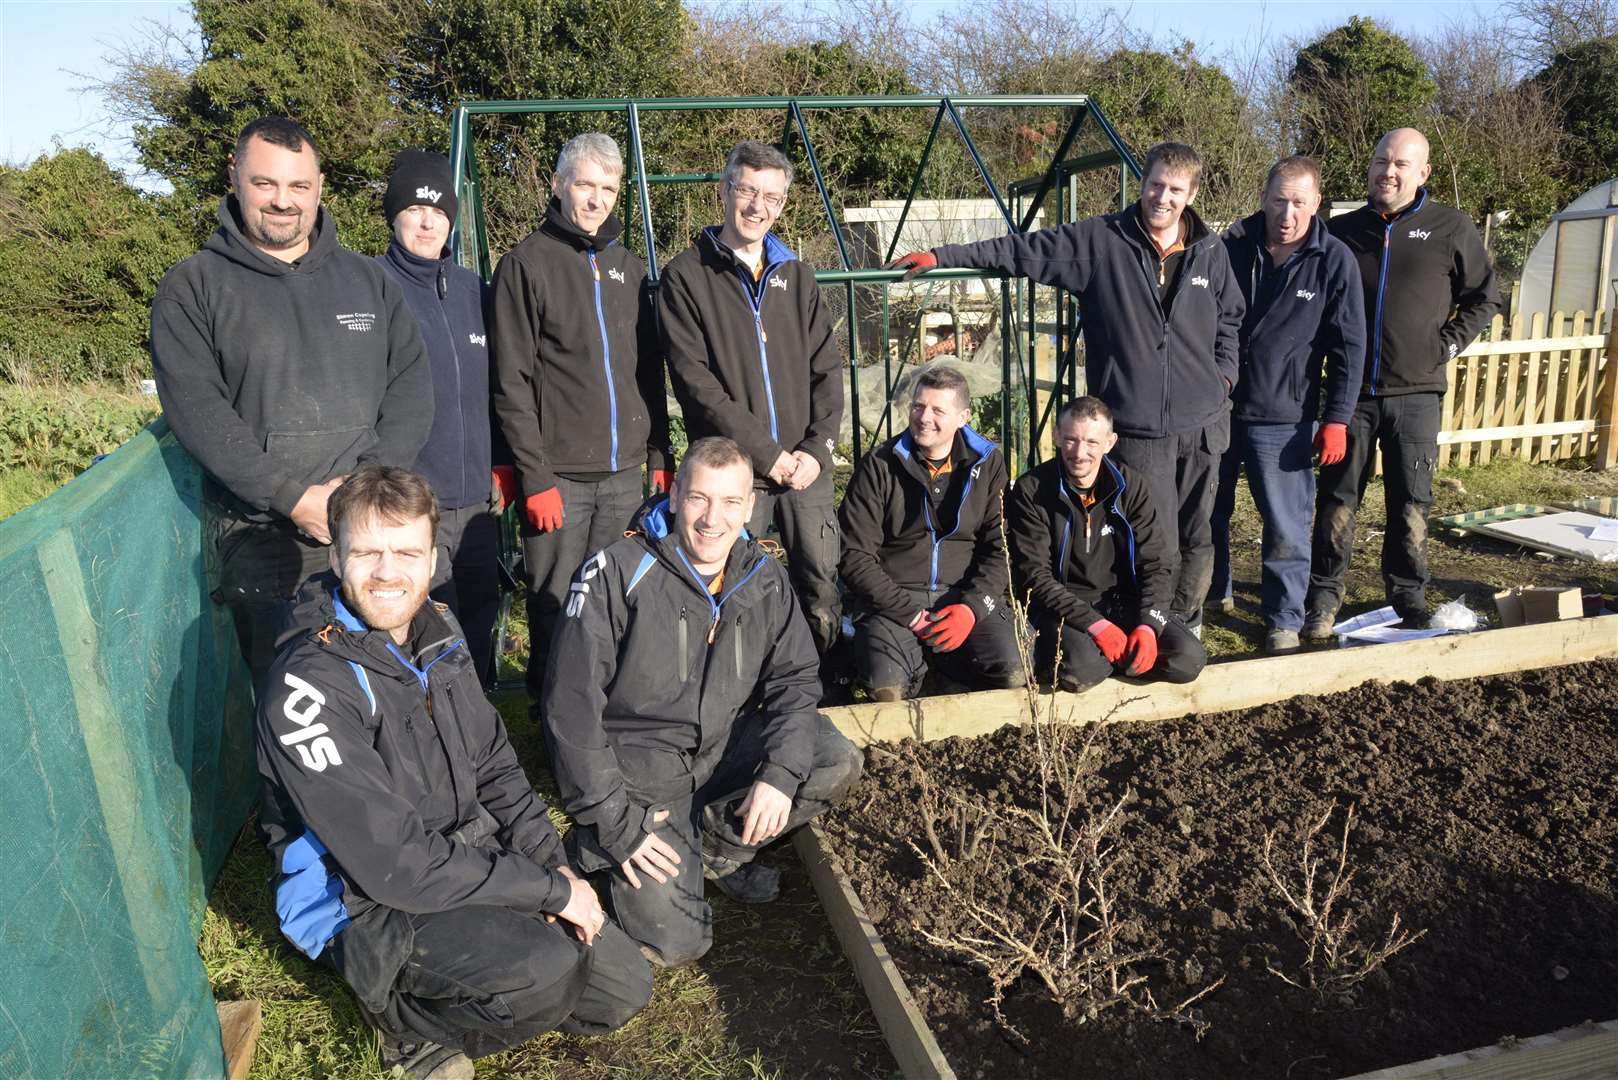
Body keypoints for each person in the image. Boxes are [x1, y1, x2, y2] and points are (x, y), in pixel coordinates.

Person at [256, 466, 650, 1080]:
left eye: (407, 552)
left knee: (622, 987)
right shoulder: (306, 686)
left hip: (458, 851)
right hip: (365, 897)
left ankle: (507, 967)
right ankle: (402, 1024)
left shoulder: (438, 628)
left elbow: (494, 762)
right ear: (336, 556)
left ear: (433, 556)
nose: (388, 573)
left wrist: (555, 866)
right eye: (367, 553)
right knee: (544, 973)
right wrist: (544, 894)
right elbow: (396, 866)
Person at [891, 142, 1243, 638]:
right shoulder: (1103, 242)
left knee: (1198, 533)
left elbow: (1231, 319)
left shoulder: (1210, 250)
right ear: (1143, 182)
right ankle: (1151, 626)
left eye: (1176, 190)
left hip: (1205, 422)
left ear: (1191, 194)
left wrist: (1222, 376)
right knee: (1153, 536)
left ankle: (1188, 626)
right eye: (1156, 184)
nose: (1163, 197)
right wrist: (943, 255)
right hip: (1138, 428)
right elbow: (1021, 250)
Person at [542, 436, 864, 968]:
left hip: (720, 745)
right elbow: (570, 713)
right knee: (677, 944)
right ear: (673, 496)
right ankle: (598, 850)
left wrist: (779, 773)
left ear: (750, 507)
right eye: (698, 498)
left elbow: (795, 678)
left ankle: (713, 848)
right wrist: (616, 823)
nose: (713, 519)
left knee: (832, 757)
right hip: (641, 771)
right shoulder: (617, 573)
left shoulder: (762, 577)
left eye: (731, 502)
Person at [150, 116, 432, 692]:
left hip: (367, 536)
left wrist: (359, 493)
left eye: (298, 186)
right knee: (291, 707)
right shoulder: (193, 287)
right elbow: (198, 410)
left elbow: (411, 389)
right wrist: (292, 497)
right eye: (265, 184)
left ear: (320, 186)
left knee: (384, 686)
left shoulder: (368, 282)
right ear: (235, 177)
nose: (283, 202)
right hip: (263, 541)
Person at [491, 132, 673, 709]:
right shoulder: (525, 265)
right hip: (561, 479)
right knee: (554, 604)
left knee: (612, 598)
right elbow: (511, 380)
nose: (596, 199)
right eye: (585, 184)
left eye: (608, 188)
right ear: (558, 184)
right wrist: (534, 476)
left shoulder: (628, 266)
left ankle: (603, 717)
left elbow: (649, 371)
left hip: (623, 476)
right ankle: (553, 728)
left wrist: (660, 453)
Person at [1303, 128, 1500, 637]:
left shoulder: (1450, 227)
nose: (1387, 172)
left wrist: (1446, 345)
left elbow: (1484, 298)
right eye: (1380, 161)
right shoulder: (1342, 233)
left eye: (1400, 164)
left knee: (1411, 500)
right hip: (1351, 397)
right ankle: (1323, 597)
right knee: (1337, 500)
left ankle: (1408, 596)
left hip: (1416, 393)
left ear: (1422, 173)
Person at [658, 140, 845, 655]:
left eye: (772, 196)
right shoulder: (686, 277)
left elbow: (828, 370)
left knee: (821, 587)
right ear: (725, 191)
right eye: (747, 191)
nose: (758, 207)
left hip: (806, 472)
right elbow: (697, 385)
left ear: (782, 203)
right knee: (736, 591)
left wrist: (816, 448)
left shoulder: (798, 276)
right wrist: (768, 455)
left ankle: (817, 692)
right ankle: (741, 701)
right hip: (738, 475)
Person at [1210, 156, 1366, 654]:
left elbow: (1349, 347)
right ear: (1264, 196)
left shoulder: (1332, 259)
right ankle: (1214, 592)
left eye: (1299, 202)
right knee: (1206, 510)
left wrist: (1337, 419)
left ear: (1317, 203)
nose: (1288, 212)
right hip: (1218, 407)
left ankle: (1283, 618)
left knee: (1285, 526)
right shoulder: (1230, 248)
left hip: (1285, 416)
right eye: (1279, 199)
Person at [377, 148, 509, 684]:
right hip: (411, 503)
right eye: (415, 208)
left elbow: (497, 384)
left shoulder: (473, 290)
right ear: (395, 215)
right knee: (419, 626)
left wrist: (501, 463)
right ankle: (421, 735)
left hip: (476, 500)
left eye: (438, 211)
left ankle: (476, 732)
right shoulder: (374, 287)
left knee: (477, 619)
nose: (428, 220)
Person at [837, 363, 1020, 700]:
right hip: (895, 599)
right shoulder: (880, 465)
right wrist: (911, 615)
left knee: (1013, 671)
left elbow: (1000, 549)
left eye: (938, 410)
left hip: (961, 593)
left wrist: (971, 608)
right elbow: (854, 556)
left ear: (964, 417)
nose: (924, 417)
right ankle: (916, 666)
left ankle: (945, 669)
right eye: (919, 406)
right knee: (886, 688)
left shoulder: (988, 463)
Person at [1008, 397, 1207, 692]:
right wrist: (1095, 625)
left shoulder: (1131, 486)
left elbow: (1155, 561)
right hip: (1065, 608)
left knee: (1188, 660)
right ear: (1057, 436)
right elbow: (1034, 576)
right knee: (1081, 669)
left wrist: (1149, 625)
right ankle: (1099, 660)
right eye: (1072, 440)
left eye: (1091, 442)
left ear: (1109, 442)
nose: (1080, 452)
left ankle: (1120, 658)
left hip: (1121, 602)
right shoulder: (1032, 490)